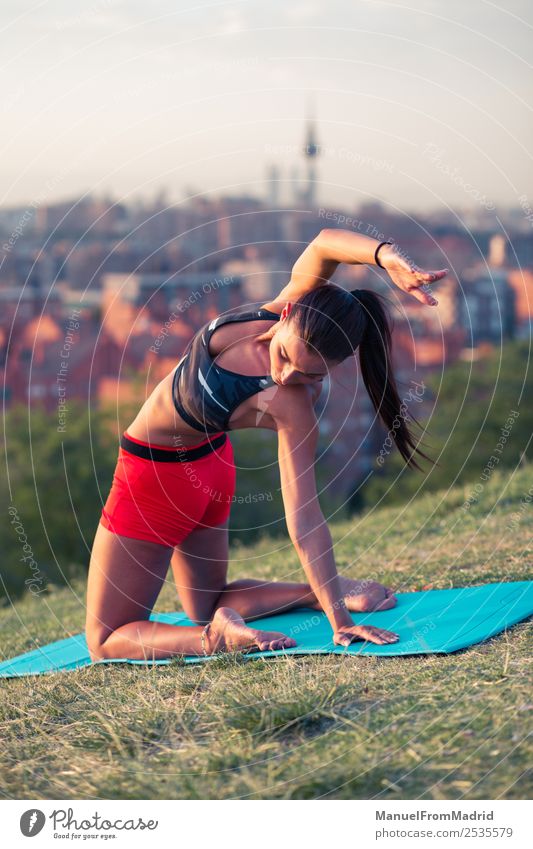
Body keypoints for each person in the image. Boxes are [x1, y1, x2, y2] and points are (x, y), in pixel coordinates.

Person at [85, 230, 449, 660]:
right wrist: (386, 256)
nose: (287, 377)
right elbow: (324, 244)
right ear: (290, 312)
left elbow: (305, 519)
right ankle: (320, 593)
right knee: (206, 601)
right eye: (287, 356)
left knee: (105, 639)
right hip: (211, 466)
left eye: (311, 375)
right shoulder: (288, 307)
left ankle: (214, 639)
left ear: (337, 364)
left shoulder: (295, 407)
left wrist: (342, 626)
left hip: (153, 476)